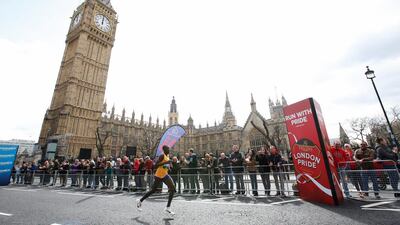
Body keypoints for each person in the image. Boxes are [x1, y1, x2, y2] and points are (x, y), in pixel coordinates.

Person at [137, 145, 176, 216]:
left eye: (169, 149)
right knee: (153, 190)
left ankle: (168, 207)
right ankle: (140, 201)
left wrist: (169, 167)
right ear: (164, 150)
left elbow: (165, 166)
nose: (169, 150)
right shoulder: (162, 156)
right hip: (158, 175)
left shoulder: (167, 156)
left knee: (172, 189)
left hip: (165, 174)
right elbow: (155, 165)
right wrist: (165, 163)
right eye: (167, 149)